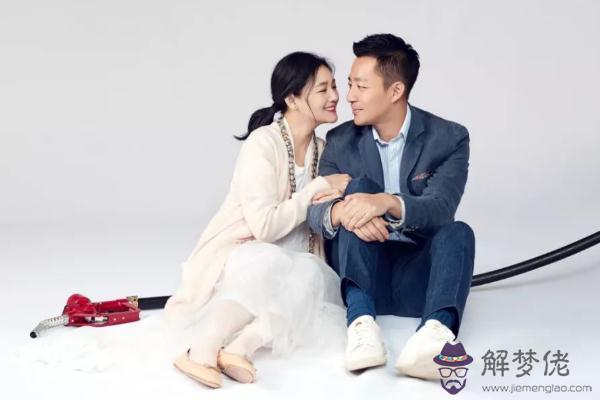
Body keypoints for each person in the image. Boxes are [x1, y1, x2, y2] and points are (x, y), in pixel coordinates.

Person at [164, 52, 350, 389]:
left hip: (297, 261)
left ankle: (239, 349)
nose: (335, 96)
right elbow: (264, 227)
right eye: (323, 89)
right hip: (247, 254)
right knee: (268, 259)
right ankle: (201, 348)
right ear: (292, 98)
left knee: (312, 275)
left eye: (334, 87)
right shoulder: (262, 143)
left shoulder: (324, 150)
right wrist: (318, 188)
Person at [307, 34, 476, 379]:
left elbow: (440, 209)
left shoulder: (449, 138)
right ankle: (361, 325)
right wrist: (345, 210)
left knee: (459, 232)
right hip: (361, 275)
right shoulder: (340, 141)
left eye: (361, 86)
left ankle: (435, 335)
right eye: (350, 84)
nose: (349, 96)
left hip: (419, 281)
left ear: (396, 90)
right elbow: (314, 207)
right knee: (359, 190)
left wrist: (384, 203)